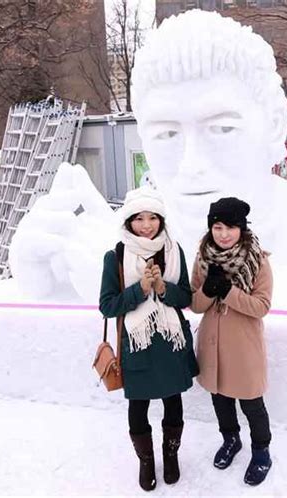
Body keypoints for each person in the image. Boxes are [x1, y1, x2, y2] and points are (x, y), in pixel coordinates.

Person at [131, 8, 287, 315]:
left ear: (274, 124)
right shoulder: (136, 239)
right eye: (167, 134)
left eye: (222, 129)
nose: (191, 164)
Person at [99, 186, 198, 492]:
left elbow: (186, 297)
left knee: (173, 400)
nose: (146, 225)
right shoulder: (115, 255)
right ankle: (146, 460)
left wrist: (164, 289)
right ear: (129, 221)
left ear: (161, 219)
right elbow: (108, 305)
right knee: (138, 405)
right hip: (137, 343)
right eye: (139, 218)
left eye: (152, 217)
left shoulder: (174, 250)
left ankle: (171, 455)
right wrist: (140, 289)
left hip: (170, 341)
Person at [190, 197, 273, 486]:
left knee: (252, 405)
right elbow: (195, 304)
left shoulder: (257, 260)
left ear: (242, 228)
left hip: (243, 348)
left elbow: (261, 306)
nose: (223, 234)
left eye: (231, 227)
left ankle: (261, 451)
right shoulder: (202, 259)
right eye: (218, 227)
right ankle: (231, 440)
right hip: (212, 347)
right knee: (221, 401)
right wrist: (208, 291)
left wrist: (227, 291)